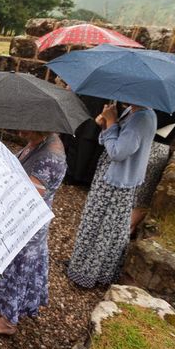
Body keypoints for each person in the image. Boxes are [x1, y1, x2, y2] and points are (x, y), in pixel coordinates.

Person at [0, 131, 66, 335]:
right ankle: (8, 309)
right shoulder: (38, 142)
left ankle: (7, 323)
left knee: (17, 272)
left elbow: (27, 196)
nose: (19, 131)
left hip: (27, 227)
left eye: (26, 126)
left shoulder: (50, 157)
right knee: (13, 270)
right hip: (22, 223)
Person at [67, 103, 157, 288]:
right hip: (111, 179)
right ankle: (82, 266)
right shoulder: (132, 111)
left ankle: (86, 275)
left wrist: (111, 121)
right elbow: (110, 142)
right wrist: (106, 124)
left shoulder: (142, 118)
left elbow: (118, 152)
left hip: (115, 185)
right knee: (99, 227)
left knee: (101, 230)